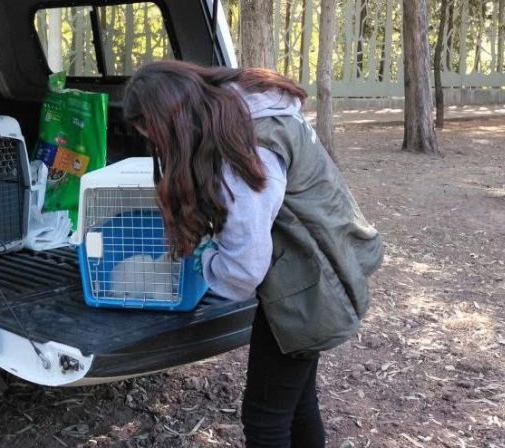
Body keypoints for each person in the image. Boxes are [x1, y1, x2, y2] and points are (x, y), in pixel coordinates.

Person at [122, 60, 383, 448]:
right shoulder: (252, 110)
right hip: (324, 269)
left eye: (156, 137)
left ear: (172, 123)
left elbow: (243, 269)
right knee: (297, 402)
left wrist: (206, 260)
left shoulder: (245, 151)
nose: (158, 148)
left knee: (265, 420)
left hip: (310, 291)